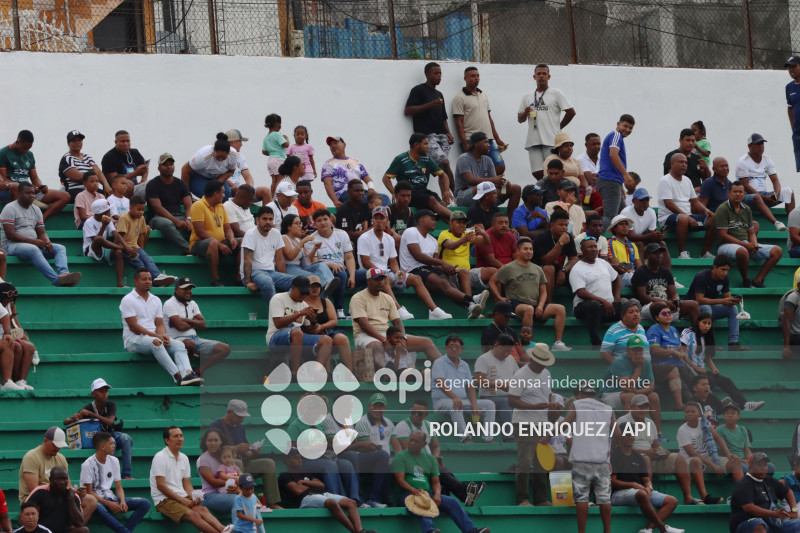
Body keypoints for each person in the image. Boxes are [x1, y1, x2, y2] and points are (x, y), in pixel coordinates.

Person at [392, 431, 490, 533]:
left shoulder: (430, 459)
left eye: (416, 441)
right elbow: (400, 480)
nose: (412, 443)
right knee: (422, 501)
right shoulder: (400, 457)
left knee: (452, 502)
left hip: (426, 494)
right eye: (411, 440)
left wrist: (437, 494)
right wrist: (413, 490)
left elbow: (436, 482)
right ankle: (429, 531)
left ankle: (471, 530)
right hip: (406, 495)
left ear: (424, 444)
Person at [359, 206, 446, 320]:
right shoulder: (364, 237)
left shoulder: (389, 239)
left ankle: (433, 310)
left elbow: (393, 262)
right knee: (385, 279)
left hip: (386, 271)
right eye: (376, 218)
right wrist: (382, 273)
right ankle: (398, 310)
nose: (379, 221)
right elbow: (365, 262)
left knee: (416, 279)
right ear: (372, 220)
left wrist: (398, 272)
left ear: (387, 221)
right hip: (369, 273)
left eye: (382, 218)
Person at [393, 399, 486, 506]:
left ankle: (458, 494)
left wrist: (436, 457)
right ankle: (463, 492)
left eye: (419, 413)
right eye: (413, 412)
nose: (415, 415)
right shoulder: (402, 426)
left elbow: (436, 446)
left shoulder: (428, 425)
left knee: (440, 466)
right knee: (439, 469)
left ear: (426, 415)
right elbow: (409, 450)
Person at [120, 268, 202, 386]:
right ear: (135, 281)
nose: (148, 281)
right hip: (133, 339)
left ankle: (188, 374)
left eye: (149, 279)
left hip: (153, 337)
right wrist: (158, 336)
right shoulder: (128, 299)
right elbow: (133, 327)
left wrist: (163, 335)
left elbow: (159, 324)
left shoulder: (156, 300)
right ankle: (178, 375)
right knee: (156, 342)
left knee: (179, 345)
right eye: (144, 279)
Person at [399, 210, 487, 319]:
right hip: (413, 270)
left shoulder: (433, 241)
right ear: (422, 219)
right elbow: (418, 256)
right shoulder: (411, 231)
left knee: (450, 284)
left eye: (435, 220)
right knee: (443, 283)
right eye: (432, 219)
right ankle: (471, 300)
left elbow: (435, 265)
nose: (435, 222)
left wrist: (447, 269)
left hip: (428, 269)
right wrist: (443, 263)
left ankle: (471, 307)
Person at [350, 267, 442, 369]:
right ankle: (388, 372)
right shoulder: (358, 298)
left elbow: (398, 323)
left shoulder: (387, 298)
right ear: (368, 281)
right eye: (376, 279)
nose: (380, 282)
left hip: (386, 333)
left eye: (382, 279)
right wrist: (384, 340)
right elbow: (364, 325)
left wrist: (401, 338)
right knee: (377, 345)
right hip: (365, 335)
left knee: (426, 342)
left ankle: (445, 371)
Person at [489, 236, 570, 350]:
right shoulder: (509, 267)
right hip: (516, 305)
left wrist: (541, 305)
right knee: (528, 309)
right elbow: (492, 282)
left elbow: (543, 291)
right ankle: (527, 344)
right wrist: (499, 297)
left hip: (535, 305)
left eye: (531, 249)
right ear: (518, 251)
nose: (529, 251)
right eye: (525, 249)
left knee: (560, 308)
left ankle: (557, 343)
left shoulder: (537, 269)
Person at [616, 395, 699, 505]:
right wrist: (646, 452)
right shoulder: (622, 421)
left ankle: (688, 497)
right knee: (646, 458)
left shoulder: (650, 423)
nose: (644, 410)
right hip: (632, 460)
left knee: (679, 458)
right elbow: (620, 447)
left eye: (646, 407)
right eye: (640, 407)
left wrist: (662, 451)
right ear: (632, 407)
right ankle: (649, 493)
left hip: (651, 457)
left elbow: (656, 444)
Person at [150, 426, 232, 533]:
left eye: (181, 436)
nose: (180, 439)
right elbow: (160, 486)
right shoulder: (160, 457)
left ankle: (223, 529)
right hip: (164, 500)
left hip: (181, 496)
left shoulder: (184, 458)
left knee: (202, 509)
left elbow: (187, 484)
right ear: (167, 440)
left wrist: (193, 496)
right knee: (193, 514)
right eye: (175, 436)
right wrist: (182, 500)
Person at [1, 182, 81, 287]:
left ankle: (64, 275)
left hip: (30, 245)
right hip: (10, 245)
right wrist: (33, 242)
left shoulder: (36, 209)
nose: (31, 196)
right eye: (28, 193)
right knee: (33, 249)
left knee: (60, 248)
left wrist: (47, 241)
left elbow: (41, 232)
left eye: (33, 193)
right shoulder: (10, 208)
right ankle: (56, 280)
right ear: (19, 193)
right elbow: (10, 234)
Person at [508, 342, 559, 506]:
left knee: (541, 462)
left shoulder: (547, 373)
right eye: (541, 363)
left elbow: (547, 394)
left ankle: (540, 498)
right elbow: (512, 401)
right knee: (525, 461)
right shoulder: (520, 375)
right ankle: (522, 498)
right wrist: (534, 406)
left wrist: (552, 405)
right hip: (524, 422)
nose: (542, 366)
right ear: (534, 360)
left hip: (541, 421)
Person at [278, 448, 375, 533]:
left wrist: (303, 482)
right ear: (287, 461)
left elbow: (321, 484)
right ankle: (355, 532)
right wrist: (310, 484)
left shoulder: (305, 473)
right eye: (295, 457)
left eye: (300, 457)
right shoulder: (284, 476)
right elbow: (298, 490)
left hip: (323, 494)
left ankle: (360, 530)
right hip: (306, 499)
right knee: (332, 503)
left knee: (351, 502)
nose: (299, 460)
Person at [562, 384, 617, 533]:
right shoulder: (607, 409)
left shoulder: (577, 405)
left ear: (580, 393)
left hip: (582, 460)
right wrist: (609, 451)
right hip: (602, 460)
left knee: (581, 498)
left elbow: (565, 425)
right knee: (604, 498)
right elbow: (617, 433)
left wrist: (548, 435)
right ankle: (607, 531)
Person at [18, 427, 99, 526]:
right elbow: (34, 490)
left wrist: (75, 492)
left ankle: (70, 529)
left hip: (59, 496)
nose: (58, 448)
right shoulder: (32, 457)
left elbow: (68, 485)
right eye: (55, 445)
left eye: (60, 446)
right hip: (37, 499)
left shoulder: (61, 458)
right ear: (45, 441)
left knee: (91, 500)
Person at [209, 400, 282, 510]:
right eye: (239, 416)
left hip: (243, 463)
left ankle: (272, 502)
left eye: (243, 416)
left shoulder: (240, 427)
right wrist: (235, 449)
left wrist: (251, 451)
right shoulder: (216, 427)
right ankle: (244, 501)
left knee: (268, 464)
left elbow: (243, 450)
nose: (242, 419)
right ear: (229, 412)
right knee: (237, 463)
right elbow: (213, 451)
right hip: (225, 468)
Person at [682, 313, 764, 410]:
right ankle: (715, 406)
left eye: (709, 323)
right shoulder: (687, 332)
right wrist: (696, 368)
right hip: (689, 369)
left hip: (702, 370)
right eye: (704, 323)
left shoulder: (708, 336)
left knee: (726, 380)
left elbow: (708, 358)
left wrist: (714, 369)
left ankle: (744, 405)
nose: (707, 326)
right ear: (697, 322)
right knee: (710, 381)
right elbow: (682, 355)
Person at [267, 276, 346, 375]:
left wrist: (313, 321)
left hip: (296, 337)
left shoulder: (303, 304)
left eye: (306, 293)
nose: (304, 296)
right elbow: (278, 323)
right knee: (297, 333)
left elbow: (310, 331)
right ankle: (296, 372)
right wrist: (299, 313)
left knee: (327, 339)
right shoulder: (278, 298)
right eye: (302, 293)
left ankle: (318, 372)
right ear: (293, 287)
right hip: (275, 337)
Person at [610, 434, 684, 533]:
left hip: (639, 491)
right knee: (642, 494)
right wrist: (633, 485)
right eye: (628, 435)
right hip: (618, 494)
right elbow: (612, 481)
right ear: (621, 437)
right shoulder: (614, 455)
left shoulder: (637, 456)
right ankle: (662, 528)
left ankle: (648, 529)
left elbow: (646, 480)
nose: (631, 437)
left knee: (672, 501)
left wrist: (649, 488)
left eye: (632, 435)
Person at [716, 180, 783, 288]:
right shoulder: (722, 209)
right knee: (743, 251)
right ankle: (746, 280)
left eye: (740, 192)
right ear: (729, 193)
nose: (738, 194)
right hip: (725, 245)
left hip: (744, 243)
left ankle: (758, 280)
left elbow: (751, 232)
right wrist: (746, 245)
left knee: (777, 250)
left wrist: (753, 243)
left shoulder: (746, 209)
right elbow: (723, 236)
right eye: (735, 191)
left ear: (744, 194)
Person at [80, 432, 150, 533]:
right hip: (97, 501)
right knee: (98, 506)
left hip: (111, 498)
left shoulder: (114, 461)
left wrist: (122, 502)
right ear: (103, 447)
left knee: (145, 503)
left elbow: (119, 487)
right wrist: (109, 504)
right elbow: (89, 492)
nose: (114, 446)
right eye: (111, 443)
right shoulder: (87, 465)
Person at [63, 378, 133, 479]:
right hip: (99, 438)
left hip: (112, 433)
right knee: (112, 442)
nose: (105, 394)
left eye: (106, 391)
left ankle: (126, 475)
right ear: (93, 394)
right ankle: (110, 475)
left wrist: (91, 414)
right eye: (101, 391)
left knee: (126, 438)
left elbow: (110, 422)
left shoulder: (111, 405)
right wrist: (73, 418)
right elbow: (65, 422)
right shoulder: (88, 407)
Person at [432, 334, 496, 443]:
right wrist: (455, 398)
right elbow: (441, 384)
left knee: (489, 404)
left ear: (461, 349)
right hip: (442, 402)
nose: (453, 349)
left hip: (462, 401)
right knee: (455, 404)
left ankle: (488, 438)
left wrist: (474, 404)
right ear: (446, 348)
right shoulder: (439, 363)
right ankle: (465, 438)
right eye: (450, 346)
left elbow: (470, 387)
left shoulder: (464, 365)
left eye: (457, 346)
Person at [517, 64, 575, 179]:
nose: (541, 76)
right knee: (537, 172)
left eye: (544, 74)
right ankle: (544, 195)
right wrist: (525, 113)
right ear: (534, 77)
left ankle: (553, 195)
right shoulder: (527, 96)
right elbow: (520, 119)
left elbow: (571, 112)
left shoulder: (556, 93)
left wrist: (558, 128)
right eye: (539, 74)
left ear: (549, 77)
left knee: (552, 171)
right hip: (533, 140)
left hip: (551, 140)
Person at [163, 276, 231, 374]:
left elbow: (203, 325)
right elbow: (180, 327)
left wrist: (186, 320)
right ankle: (186, 373)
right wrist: (194, 321)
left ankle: (198, 372)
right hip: (177, 340)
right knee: (189, 344)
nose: (188, 291)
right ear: (176, 289)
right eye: (185, 288)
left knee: (225, 349)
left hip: (195, 339)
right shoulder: (169, 303)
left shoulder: (193, 303)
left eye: (190, 288)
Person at [405, 62, 456, 192]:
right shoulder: (418, 90)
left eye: (440, 73)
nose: (439, 76)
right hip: (427, 136)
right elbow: (408, 110)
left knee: (441, 169)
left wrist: (448, 133)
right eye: (436, 73)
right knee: (444, 163)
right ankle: (455, 194)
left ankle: (448, 198)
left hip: (442, 136)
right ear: (427, 74)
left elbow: (444, 117)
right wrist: (429, 105)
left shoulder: (439, 94)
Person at [598, 335, 663, 434]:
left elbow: (651, 386)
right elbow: (628, 386)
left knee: (654, 396)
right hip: (609, 396)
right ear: (628, 351)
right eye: (635, 350)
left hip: (631, 393)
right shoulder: (619, 362)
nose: (638, 353)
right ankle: (629, 433)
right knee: (630, 397)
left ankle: (658, 433)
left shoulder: (646, 363)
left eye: (640, 350)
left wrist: (638, 392)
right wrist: (639, 367)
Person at [0, 130, 69, 222]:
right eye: (25, 147)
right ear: (17, 142)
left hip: (28, 189)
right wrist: (23, 187)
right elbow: (4, 179)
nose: (26, 150)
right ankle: (16, 222)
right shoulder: (3, 153)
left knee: (65, 196)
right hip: (12, 189)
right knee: (18, 187)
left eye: (29, 148)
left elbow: (34, 178)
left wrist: (40, 187)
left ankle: (40, 222)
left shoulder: (29, 155)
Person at [658, 153, 716, 259]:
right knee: (683, 218)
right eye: (681, 162)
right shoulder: (665, 180)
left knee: (713, 218)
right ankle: (682, 253)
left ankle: (704, 253)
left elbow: (694, 201)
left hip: (686, 216)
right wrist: (688, 217)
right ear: (672, 163)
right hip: (668, 219)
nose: (684, 164)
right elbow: (669, 203)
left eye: (685, 162)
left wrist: (705, 210)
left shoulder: (687, 180)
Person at [382, 133, 452, 220]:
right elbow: (385, 178)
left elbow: (443, 175)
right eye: (425, 144)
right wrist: (394, 193)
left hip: (423, 191)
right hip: (409, 193)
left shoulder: (426, 159)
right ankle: (458, 217)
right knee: (431, 200)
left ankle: (457, 228)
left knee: (442, 205)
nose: (428, 147)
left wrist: (446, 190)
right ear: (416, 145)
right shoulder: (401, 159)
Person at [677, 402, 740, 498]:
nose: (689, 414)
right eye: (687, 412)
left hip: (707, 458)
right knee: (696, 460)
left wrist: (728, 454)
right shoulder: (682, 430)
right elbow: (692, 453)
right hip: (689, 461)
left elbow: (718, 438)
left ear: (699, 413)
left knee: (734, 463)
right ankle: (705, 497)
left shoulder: (704, 423)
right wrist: (713, 465)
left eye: (693, 411)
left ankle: (743, 495)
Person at [702, 157, 782, 230]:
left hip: (731, 219)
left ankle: (750, 244)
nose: (725, 168)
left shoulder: (730, 185)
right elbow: (702, 205)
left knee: (755, 225)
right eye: (722, 166)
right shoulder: (708, 183)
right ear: (714, 169)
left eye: (726, 166)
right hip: (716, 219)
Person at [453, 65, 506, 175]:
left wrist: (497, 138)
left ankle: (490, 188)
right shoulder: (460, 97)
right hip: (471, 141)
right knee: (476, 170)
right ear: (465, 78)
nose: (476, 78)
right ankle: (483, 189)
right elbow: (458, 122)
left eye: (477, 76)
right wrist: (464, 143)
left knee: (500, 166)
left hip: (488, 140)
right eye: (472, 76)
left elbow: (489, 118)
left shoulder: (483, 95)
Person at [685, 255, 746, 350]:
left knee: (732, 308)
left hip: (707, 309)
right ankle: (708, 344)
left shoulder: (725, 279)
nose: (725, 273)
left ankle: (733, 343)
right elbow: (699, 300)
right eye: (723, 269)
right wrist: (722, 301)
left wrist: (733, 300)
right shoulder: (702, 276)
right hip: (692, 312)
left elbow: (727, 299)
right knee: (706, 308)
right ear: (714, 267)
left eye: (727, 270)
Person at [570, 237, 622, 347]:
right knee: (592, 306)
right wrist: (603, 301)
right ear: (582, 250)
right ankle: (596, 343)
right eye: (590, 247)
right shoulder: (577, 268)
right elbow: (581, 292)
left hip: (607, 308)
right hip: (585, 309)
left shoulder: (603, 263)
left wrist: (616, 298)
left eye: (595, 246)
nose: (594, 249)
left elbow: (617, 278)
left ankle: (622, 341)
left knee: (627, 306)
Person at [730, 452, 800, 533]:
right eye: (759, 465)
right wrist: (773, 514)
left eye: (765, 465)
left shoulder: (769, 480)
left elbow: (788, 491)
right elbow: (749, 508)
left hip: (772, 521)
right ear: (750, 465)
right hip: (746, 523)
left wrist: (794, 510)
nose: (763, 468)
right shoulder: (744, 483)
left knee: (797, 524)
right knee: (758, 524)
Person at [305, 209, 357, 318]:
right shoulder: (312, 239)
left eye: (325, 219)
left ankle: (354, 308)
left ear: (331, 220)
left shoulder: (342, 234)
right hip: (326, 271)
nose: (323, 223)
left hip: (343, 269)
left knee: (369, 276)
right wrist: (331, 265)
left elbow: (349, 257)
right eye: (319, 221)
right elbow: (315, 263)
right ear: (314, 223)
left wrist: (352, 276)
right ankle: (339, 310)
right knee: (341, 274)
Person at [116, 195, 176, 287]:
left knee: (148, 259)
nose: (141, 212)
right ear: (131, 208)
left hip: (135, 247)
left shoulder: (141, 218)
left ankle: (157, 276)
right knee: (140, 264)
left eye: (143, 210)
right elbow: (118, 238)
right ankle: (153, 282)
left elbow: (141, 234)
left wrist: (141, 249)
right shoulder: (124, 218)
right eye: (138, 209)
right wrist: (127, 248)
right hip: (124, 248)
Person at [633, 243, 700, 323]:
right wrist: (666, 303)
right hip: (648, 308)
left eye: (660, 253)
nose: (659, 255)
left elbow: (674, 293)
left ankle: (698, 334)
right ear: (647, 255)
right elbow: (643, 297)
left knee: (694, 304)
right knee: (660, 304)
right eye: (655, 253)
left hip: (666, 306)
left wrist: (676, 300)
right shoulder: (640, 272)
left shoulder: (666, 272)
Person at [454, 132, 520, 212]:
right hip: (464, 196)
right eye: (485, 142)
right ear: (476, 144)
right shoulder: (464, 158)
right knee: (482, 188)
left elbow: (494, 182)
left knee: (515, 188)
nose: (489, 145)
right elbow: (470, 180)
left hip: (487, 192)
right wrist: (494, 180)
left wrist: (504, 183)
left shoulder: (488, 160)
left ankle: (510, 221)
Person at [241, 206, 294, 303]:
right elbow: (247, 259)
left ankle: (287, 308)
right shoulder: (251, 234)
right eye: (264, 219)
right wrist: (248, 281)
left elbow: (279, 259)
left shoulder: (276, 233)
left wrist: (283, 278)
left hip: (271, 272)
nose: (268, 222)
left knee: (297, 282)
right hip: (254, 272)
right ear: (257, 220)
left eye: (270, 219)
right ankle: (277, 313)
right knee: (267, 282)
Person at [190, 180, 238, 287]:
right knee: (213, 243)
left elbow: (228, 228)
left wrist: (231, 239)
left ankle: (240, 278)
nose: (224, 195)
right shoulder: (198, 205)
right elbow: (200, 231)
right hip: (199, 243)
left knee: (243, 242)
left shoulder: (221, 206)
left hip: (220, 242)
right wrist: (219, 244)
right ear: (216, 194)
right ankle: (215, 279)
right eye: (223, 193)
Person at [736, 133, 796, 217]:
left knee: (789, 192)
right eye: (758, 144)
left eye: (762, 144)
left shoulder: (767, 160)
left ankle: (792, 225)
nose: (761, 146)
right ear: (749, 146)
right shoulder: (743, 161)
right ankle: (775, 222)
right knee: (756, 197)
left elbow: (775, 180)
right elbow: (745, 186)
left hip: (764, 196)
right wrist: (763, 197)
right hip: (748, 197)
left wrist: (776, 195)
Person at [647, 302, 693, 411]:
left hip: (678, 364)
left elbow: (680, 346)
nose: (668, 315)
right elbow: (653, 350)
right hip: (661, 367)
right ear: (657, 317)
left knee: (695, 380)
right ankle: (682, 405)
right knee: (684, 386)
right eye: (664, 314)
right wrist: (673, 352)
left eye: (669, 313)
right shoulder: (654, 330)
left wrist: (682, 351)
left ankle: (709, 403)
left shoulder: (673, 330)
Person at [145, 153, 193, 255]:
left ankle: (201, 246)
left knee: (197, 222)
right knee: (167, 224)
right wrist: (176, 222)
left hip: (178, 216)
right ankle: (188, 249)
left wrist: (188, 219)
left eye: (171, 164)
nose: (169, 167)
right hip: (157, 218)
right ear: (159, 168)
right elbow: (158, 208)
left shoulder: (180, 183)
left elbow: (188, 205)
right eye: (165, 165)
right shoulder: (152, 184)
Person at [597, 114, 636, 231]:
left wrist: (620, 185)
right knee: (610, 216)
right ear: (618, 124)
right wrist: (625, 175)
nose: (627, 130)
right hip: (609, 180)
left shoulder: (617, 136)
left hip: (613, 182)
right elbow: (613, 154)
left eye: (630, 128)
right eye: (625, 126)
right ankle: (602, 243)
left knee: (623, 215)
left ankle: (624, 242)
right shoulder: (616, 135)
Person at [320, 136, 383, 207]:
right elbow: (327, 183)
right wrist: (335, 201)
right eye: (331, 145)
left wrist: (371, 188)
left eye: (335, 142)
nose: (333, 146)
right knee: (366, 202)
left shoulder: (356, 162)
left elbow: (367, 178)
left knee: (384, 198)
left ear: (344, 144)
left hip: (361, 192)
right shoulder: (328, 164)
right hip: (344, 193)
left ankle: (380, 216)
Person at [24, 466, 89, 533]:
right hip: (42, 531)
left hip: (63, 531)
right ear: (50, 480)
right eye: (58, 479)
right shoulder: (40, 491)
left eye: (65, 479)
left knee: (84, 530)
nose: (62, 482)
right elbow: (23, 514)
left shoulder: (73, 496)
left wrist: (71, 499)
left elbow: (78, 523)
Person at [620, 188, 672, 271]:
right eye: (642, 200)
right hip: (625, 241)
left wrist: (658, 236)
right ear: (633, 201)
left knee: (661, 244)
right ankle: (641, 274)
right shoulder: (626, 212)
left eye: (647, 199)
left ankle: (668, 276)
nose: (645, 202)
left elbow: (652, 234)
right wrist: (650, 235)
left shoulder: (651, 212)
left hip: (641, 239)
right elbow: (630, 236)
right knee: (639, 244)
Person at [473, 335, 518, 428]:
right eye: (504, 350)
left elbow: (518, 378)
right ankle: (509, 437)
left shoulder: (511, 359)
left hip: (508, 395)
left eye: (509, 351)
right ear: (496, 345)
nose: (506, 354)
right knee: (505, 402)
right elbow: (478, 381)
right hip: (488, 397)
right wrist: (499, 385)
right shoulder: (484, 359)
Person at [533, 210, 578, 304]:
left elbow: (574, 259)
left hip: (558, 271)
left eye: (566, 225)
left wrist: (564, 270)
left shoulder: (568, 237)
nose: (564, 228)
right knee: (550, 268)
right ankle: (548, 304)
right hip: (539, 272)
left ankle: (581, 303)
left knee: (580, 270)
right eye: (561, 225)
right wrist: (560, 244)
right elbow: (546, 261)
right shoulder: (542, 237)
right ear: (551, 225)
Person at [81, 198, 126, 287]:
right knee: (99, 239)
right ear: (100, 214)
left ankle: (120, 283)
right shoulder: (89, 222)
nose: (109, 214)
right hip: (91, 250)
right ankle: (121, 248)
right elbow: (96, 240)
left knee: (118, 252)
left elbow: (115, 234)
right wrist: (103, 226)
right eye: (107, 212)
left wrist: (126, 245)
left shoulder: (107, 220)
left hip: (103, 248)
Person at [197, 429, 242, 514]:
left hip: (227, 492)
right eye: (210, 440)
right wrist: (234, 480)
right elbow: (213, 482)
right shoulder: (202, 460)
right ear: (205, 442)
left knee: (248, 498)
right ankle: (239, 527)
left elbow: (237, 472)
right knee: (238, 499)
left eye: (216, 440)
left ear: (221, 441)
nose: (213, 443)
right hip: (210, 496)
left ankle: (256, 526)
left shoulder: (224, 457)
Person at [182, 133, 238, 201]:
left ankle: (230, 191)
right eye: (218, 157)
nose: (220, 160)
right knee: (210, 196)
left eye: (223, 157)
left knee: (225, 197)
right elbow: (185, 170)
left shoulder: (233, 155)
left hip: (216, 177)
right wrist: (186, 194)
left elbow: (230, 171)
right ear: (214, 150)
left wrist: (217, 183)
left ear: (228, 153)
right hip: (198, 176)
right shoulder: (203, 156)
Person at [58, 130, 109, 202]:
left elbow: (99, 173)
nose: (77, 143)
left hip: (92, 188)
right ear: (68, 143)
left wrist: (106, 185)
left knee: (108, 195)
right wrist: (94, 180)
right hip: (74, 190)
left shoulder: (87, 157)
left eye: (79, 140)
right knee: (89, 196)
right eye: (74, 141)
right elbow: (77, 177)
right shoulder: (67, 158)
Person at [101, 130, 148, 198]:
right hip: (117, 192)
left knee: (155, 183)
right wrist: (135, 173)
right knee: (128, 184)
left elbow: (145, 166)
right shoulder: (109, 157)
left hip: (135, 188)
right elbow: (115, 180)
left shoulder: (134, 152)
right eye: (122, 141)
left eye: (128, 141)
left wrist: (143, 180)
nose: (126, 144)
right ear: (116, 142)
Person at [335, 180, 372, 250]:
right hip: (349, 242)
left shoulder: (365, 206)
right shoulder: (344, 209)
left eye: (362, 191)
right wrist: (370, 229)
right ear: (349, 192)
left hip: (364, 240)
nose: (360, 193)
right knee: (350, 245)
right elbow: (348, 235)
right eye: (357, 191)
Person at [261, 113, 289, 195]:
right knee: (281, 178)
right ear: (277, 124)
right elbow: (286, 144)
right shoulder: (277, 134)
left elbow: (264, 151)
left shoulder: (266, 137)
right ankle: (278, 196)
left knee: (274, 180)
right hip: (279, 159)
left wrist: (272, 152)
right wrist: (286, 138)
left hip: (270, 160)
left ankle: (272, 197)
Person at [788, 55, 800, 172]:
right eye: (789, 67)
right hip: (797, 133)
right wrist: (794, 128)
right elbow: (790, 108)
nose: (791, 70)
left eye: (794, 66)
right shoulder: (789, 88)